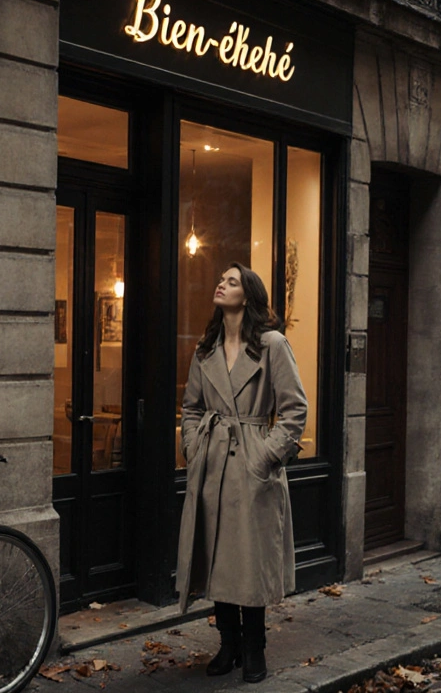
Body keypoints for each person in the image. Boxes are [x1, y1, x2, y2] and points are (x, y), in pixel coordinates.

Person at [175, 262, 308, 684]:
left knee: (249, 563)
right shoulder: (206, 348)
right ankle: (228, 644)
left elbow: (295, 410)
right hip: (212, 464)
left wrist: (264, 457)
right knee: (218, 560)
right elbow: (191, 407)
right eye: (221, 279)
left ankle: (254, 648)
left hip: (252, 464)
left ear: (247, 296)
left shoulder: (272, 344)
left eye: (231, 281)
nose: (221, 284)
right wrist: (193, 447)